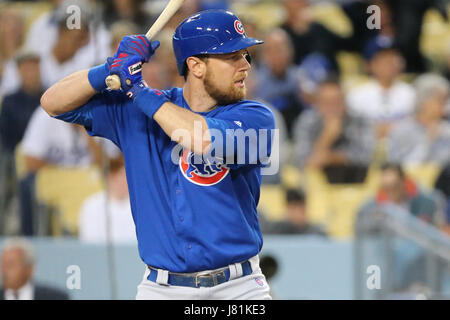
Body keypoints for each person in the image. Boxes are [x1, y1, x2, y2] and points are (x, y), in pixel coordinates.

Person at [41, 10, 275, 300]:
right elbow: (53, 103)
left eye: (245, 55)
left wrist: (138, 89)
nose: (246, 65)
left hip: (238, 288)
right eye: (232, 57)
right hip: (161, 288)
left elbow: (199, 138)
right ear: (196, 66)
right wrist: (108, 70)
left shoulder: (255, 116)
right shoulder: (137, 109)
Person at [293, 77, 375, 183]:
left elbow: (366, 158)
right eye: (326, 102)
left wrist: (330, 158)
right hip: (316, 186)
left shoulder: (360, 119)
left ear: (344, 101)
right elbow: (303, 162)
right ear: (317, 103)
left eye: (336, 102)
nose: (332, 108)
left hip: (355, 181)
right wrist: (327, 136)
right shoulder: (307, 121)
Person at [346, 36, 416, 141]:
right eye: (383, 58)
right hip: (365, 152)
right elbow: (351, 130)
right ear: (369, 65)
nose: (390, 63)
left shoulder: (411, 93)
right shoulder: (356, 95)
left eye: (394, 57)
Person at [387, 73, 450, 165]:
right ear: (423, 101)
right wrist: (428, 141)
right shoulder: (401, 130)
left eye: (446, 100)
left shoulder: (447, 129)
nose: (445, 105)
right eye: (441, 100)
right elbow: (401, 168)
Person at [79, 156, 136, 244]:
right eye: (123, 177)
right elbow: (89, 240)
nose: (127, 181)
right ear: (110, 178)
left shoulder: (138, 205)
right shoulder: (91, 205)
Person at [0, 237, 69, 300]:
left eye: (10, 265)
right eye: (3, 265)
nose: (4, 271)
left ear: (29, 269)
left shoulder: (55, 297)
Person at [260, 188, 327, 236]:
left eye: (297, 207)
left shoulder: (316, 232)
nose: (294, 213)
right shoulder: (278, 229)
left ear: (304, 209)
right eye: (291, 208)